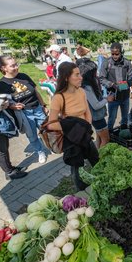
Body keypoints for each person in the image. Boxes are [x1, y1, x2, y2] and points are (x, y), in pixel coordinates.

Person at [47, 62, 99, 191]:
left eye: (80, 74)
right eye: (76, 75)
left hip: (85, 135)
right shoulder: (58, 98)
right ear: (66, 78)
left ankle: (102, 183)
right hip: (72, 139)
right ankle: (81, 193)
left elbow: (87, 112)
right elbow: (51, 124)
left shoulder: (81, 91)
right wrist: (72, 128)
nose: (81, 77)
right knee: (77, 168)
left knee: (96, 160)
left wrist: (86, 127)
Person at [0, 56, 48, 164]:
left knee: (47, 129)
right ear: (4, 68)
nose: (16, 67)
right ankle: (40, 151)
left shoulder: (23, 76)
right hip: (24, 113)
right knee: (32, 135)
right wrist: (12, 106)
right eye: (12, 66)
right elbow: (3, 102)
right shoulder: (1, 84)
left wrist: (43, 105)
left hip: (37, 108)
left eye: (16, 64)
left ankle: (52, 145)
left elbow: (35, 91)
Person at [77, 58, 112, 148]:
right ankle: (101, 158)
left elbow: (94, 100)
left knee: (99, 138)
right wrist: (107, 99)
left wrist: (103, 98)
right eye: (94, 72)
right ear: (89, 74)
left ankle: (97, 155)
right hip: (97, 118)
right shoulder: (87, 87)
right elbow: (96, 106)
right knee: (106, 139)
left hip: (96, 117)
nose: (96, 74)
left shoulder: (87, 85)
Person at [99, 42, 132, 130]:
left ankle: (124, 132)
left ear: (121, 52)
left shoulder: (127, 63)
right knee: (112, 118)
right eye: (113, 54)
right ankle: (109, 134)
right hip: (112, 97)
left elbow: (131, 79)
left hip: (125, 96)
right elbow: (101, 78)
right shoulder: (106, 63)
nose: (115, 56)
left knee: (125, 117)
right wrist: (111, 84)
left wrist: (121, 86)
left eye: (117, 54)